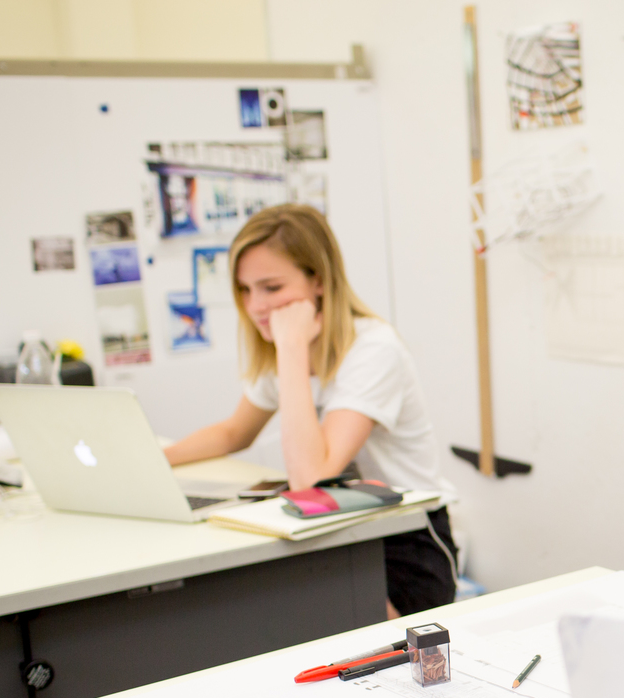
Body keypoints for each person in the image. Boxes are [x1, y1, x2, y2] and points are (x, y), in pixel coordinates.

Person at [164, 204, 456, 618]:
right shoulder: (288, 351)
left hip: (404, 546)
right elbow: (234, 433)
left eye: (271, 287)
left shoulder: (373, 350)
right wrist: (151, 460)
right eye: (245, 290)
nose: (256, 306)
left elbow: (311, 481)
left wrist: (291, 350)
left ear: (317, 279)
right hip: (339, 533)